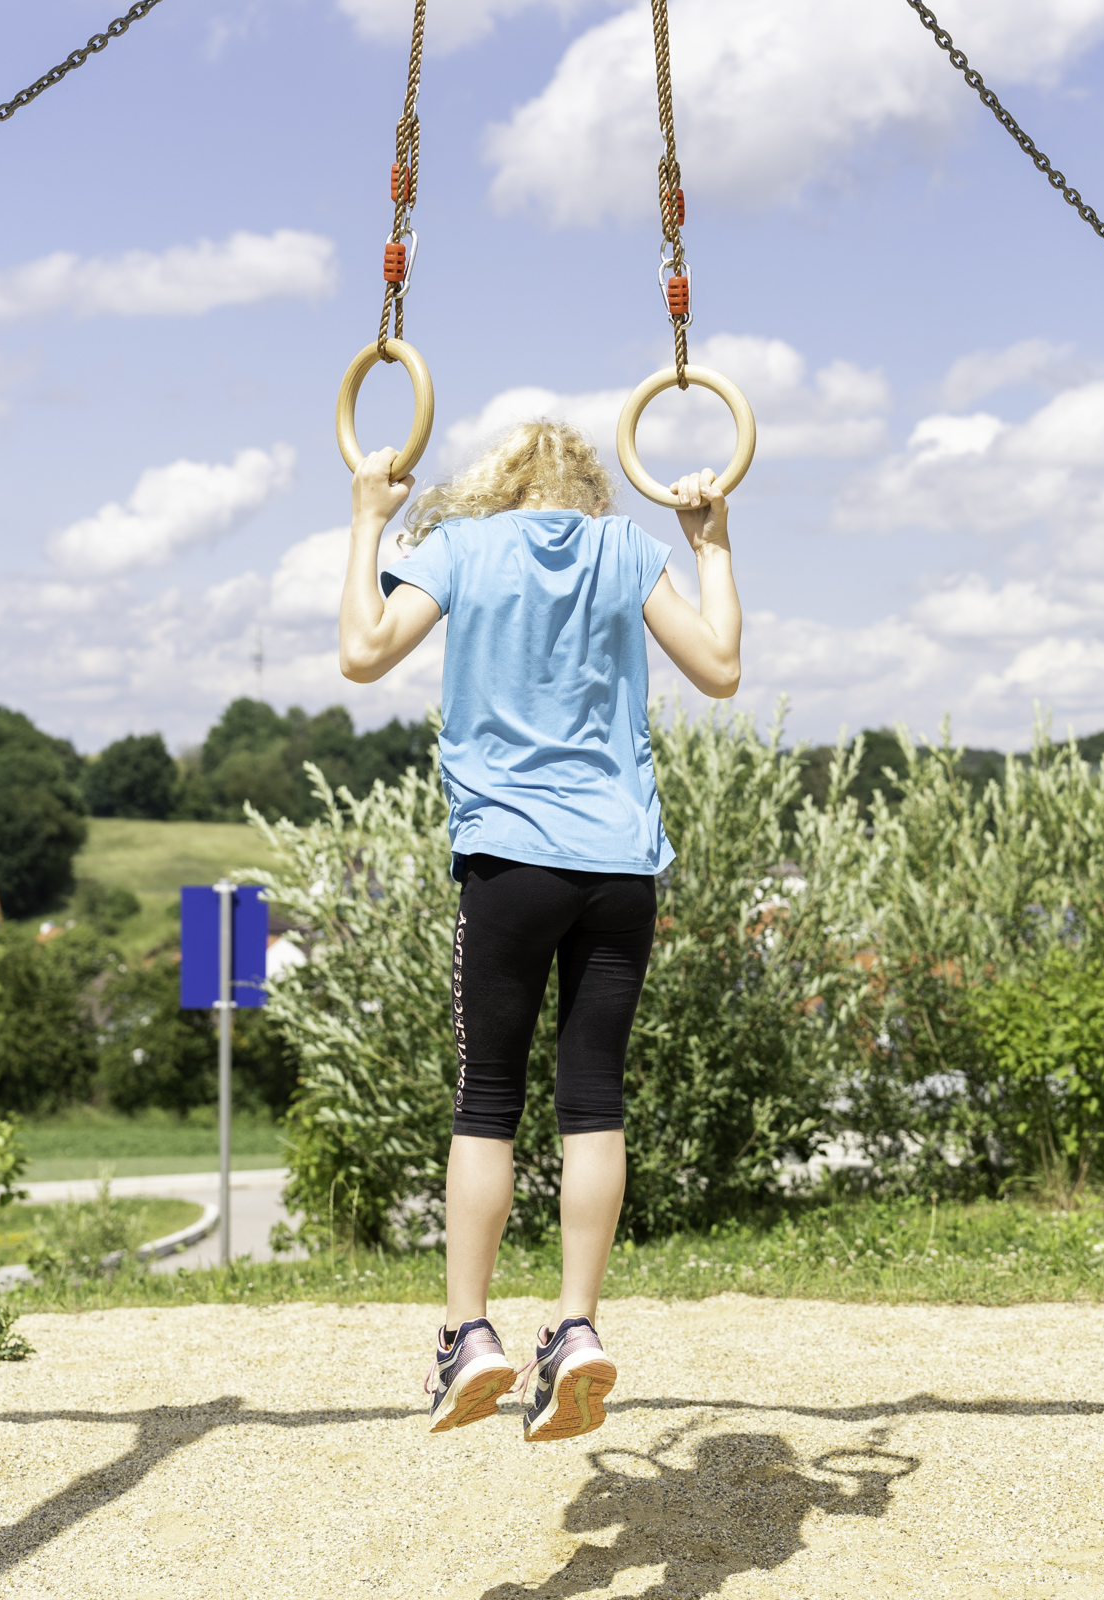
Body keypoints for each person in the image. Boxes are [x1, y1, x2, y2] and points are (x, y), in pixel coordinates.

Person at [337, 420, 741, 1442]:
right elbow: (722, 668)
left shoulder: (462, 550)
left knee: (486, 1101)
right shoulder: (623, 551)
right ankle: (575, 1327)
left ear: (497, 487)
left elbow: (361, 652)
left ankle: (468, 1333)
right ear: (596, 492)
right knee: (591, 1098)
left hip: (509, 864)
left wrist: (365, 522)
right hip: (617, 867)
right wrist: (711, 544)